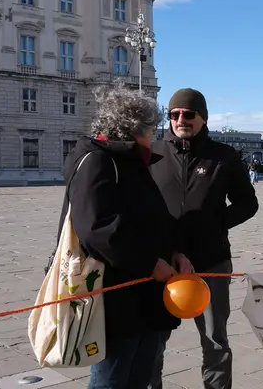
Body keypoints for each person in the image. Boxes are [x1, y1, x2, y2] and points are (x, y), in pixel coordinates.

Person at [64, 85, 182, 388]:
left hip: (144, 298)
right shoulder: (98, 161)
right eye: (151, 129)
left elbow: (151, 216)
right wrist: (150, 264)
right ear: (134, 129)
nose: (154, 136)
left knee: (139, 377)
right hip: (117, 300)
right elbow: (98, 228)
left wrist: (175, 251)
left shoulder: (129, 162)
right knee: (114, 379)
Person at [150, 88, 259, 389]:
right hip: (162, 264)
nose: (180, 119)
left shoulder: (223, 157)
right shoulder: (152, 155)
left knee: (215, 339)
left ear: (203, 117)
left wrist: (214, 224)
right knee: (152, 341)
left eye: (188, 114)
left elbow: (248, 204)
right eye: (174, 114)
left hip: (211, 262)